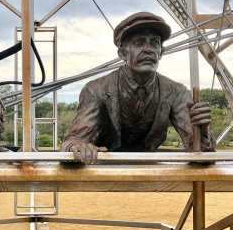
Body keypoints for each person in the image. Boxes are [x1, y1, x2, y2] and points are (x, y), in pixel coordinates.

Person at [62, 12, 213, 163]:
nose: (148, 49)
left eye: (154, 43)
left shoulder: (177, 93)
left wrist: (202, 129)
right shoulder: (95, 90)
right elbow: (74, 141)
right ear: (122, 53)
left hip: (152, 174)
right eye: (139, 43)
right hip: (103, 171)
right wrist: (78, 147)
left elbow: (200, 154)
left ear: (161, 52)